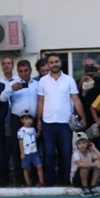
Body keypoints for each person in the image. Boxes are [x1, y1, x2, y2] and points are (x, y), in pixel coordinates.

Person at [36, 53, 86, 186]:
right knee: (49, 154)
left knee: (65, 153)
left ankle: (65, 181)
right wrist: (38, 120)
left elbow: (76, 99)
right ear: (48, 64)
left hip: (65, 122)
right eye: (51, 62)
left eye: (56, 61)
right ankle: (50, 182)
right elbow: (40, 101)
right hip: (48, 122)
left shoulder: (69, 80)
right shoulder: (43, 81)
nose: (54, 64)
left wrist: (83, 117)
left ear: (60, 63)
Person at [17, 112, 44, 187]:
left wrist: (39, 131)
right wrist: (22, 153)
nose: (29, 121)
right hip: (26, 153)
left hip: (34, 152)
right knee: (26, 168)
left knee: (39, 166)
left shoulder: (33, 129)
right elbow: (20, 142)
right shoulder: (21, 131)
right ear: (22, 120)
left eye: (30, 119)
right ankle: (28, 183)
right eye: (26, 119)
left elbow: (35, 138)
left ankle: (41, 181)